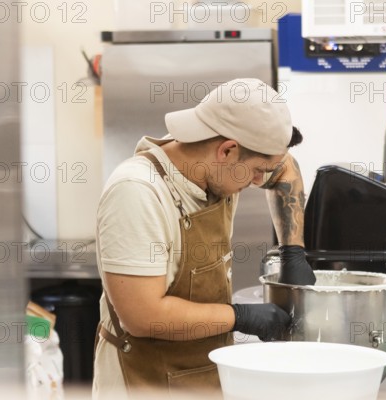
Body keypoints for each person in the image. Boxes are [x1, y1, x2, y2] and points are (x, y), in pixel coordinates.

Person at [92, 78, 316, 398]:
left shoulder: (214, 166)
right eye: (256, 170)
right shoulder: (138, 192)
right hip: (145, 380)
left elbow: (286, 169)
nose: (258, 181)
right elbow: (142, 316)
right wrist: (242, 316)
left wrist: (293, 250)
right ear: (227, 149)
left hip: (203, 372)